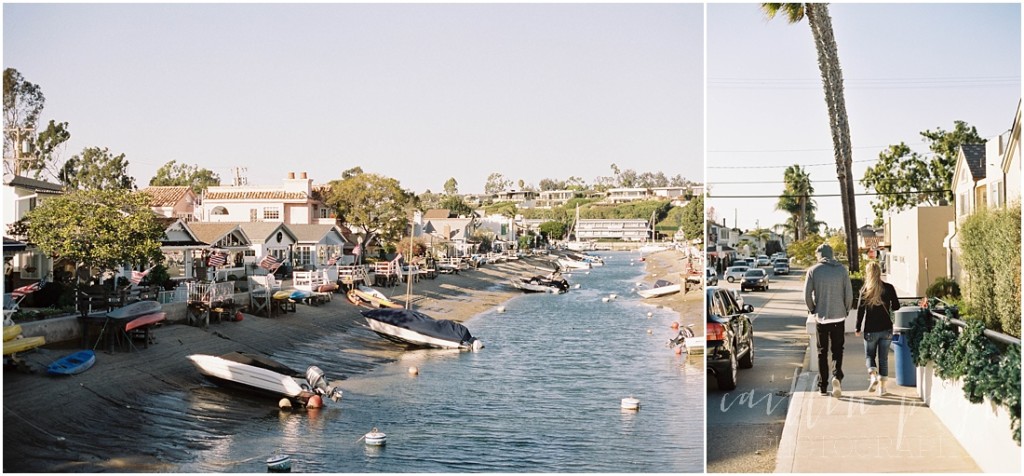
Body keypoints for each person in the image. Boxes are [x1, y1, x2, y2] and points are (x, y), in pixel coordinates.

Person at [804, 243, 853, 397]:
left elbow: (807, 296)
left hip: (822, 318)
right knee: (838, 350)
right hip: (839, 316)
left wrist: (813, 309)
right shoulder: (841, 270)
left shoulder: (813, 271)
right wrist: (845, 310)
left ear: (819, 254)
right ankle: (837, 376)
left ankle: (823, 386)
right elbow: (849, 294)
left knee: (822, 352)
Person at [855, 261, 900, 396]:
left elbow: (860, 311)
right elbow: (897, 306)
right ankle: (882, 389)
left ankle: (873, 375)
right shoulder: (889, 287)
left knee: (870, 355)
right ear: (879, 272)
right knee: (883, 359)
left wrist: (857, 328)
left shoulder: (865, 290)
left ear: (868, 274)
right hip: (886, 328)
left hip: (870, 330)